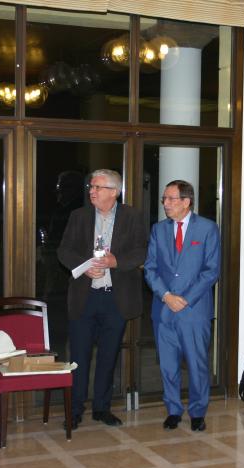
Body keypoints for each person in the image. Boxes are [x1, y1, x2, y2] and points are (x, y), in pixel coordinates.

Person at [57, 169, 147, 430]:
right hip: (85, 298)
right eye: (91, 187)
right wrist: (83, 267)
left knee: (108, 357)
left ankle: (102, 408)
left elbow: (141, 250)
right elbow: (64, 250)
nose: (91, 191)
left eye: (97, 187)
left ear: (114, 192)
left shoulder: (133, 216)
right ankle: (74, 411)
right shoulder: (79, 216)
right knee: (80, 357)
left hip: (115, 299)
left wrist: (115, 261)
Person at [144, 180, 221, 432]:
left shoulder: (208, 229)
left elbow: (211, 271)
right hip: (164, 309)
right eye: (164, 199)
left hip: (194, 310)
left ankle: (198, 412)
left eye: (171, 199)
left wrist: (184, 298)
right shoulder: (158, 229)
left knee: (197, 364)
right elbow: (151, 268)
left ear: (187, 202)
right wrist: (166, 295)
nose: (165, 203)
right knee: (168, 365)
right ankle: (173, 410)